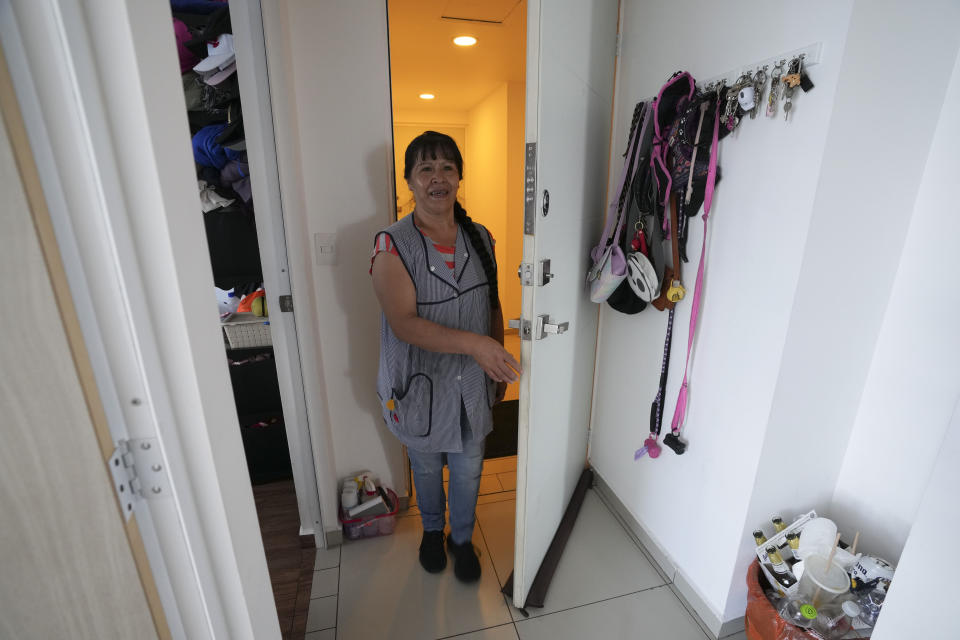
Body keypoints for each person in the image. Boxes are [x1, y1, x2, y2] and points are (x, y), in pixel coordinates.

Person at [370, 131, 521, 582]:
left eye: (447, 168)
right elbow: (405, 324)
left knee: (470, 469)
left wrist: (495, 364)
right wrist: (478, 346)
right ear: (409, 181)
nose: (438, 178)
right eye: (426, 169)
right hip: (419, 383)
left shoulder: (482, 237)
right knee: (427, 466)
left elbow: (492, 303)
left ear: (459, 177)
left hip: (472, 383)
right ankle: (432, 533)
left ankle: (460, 539)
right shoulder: (391, 244)